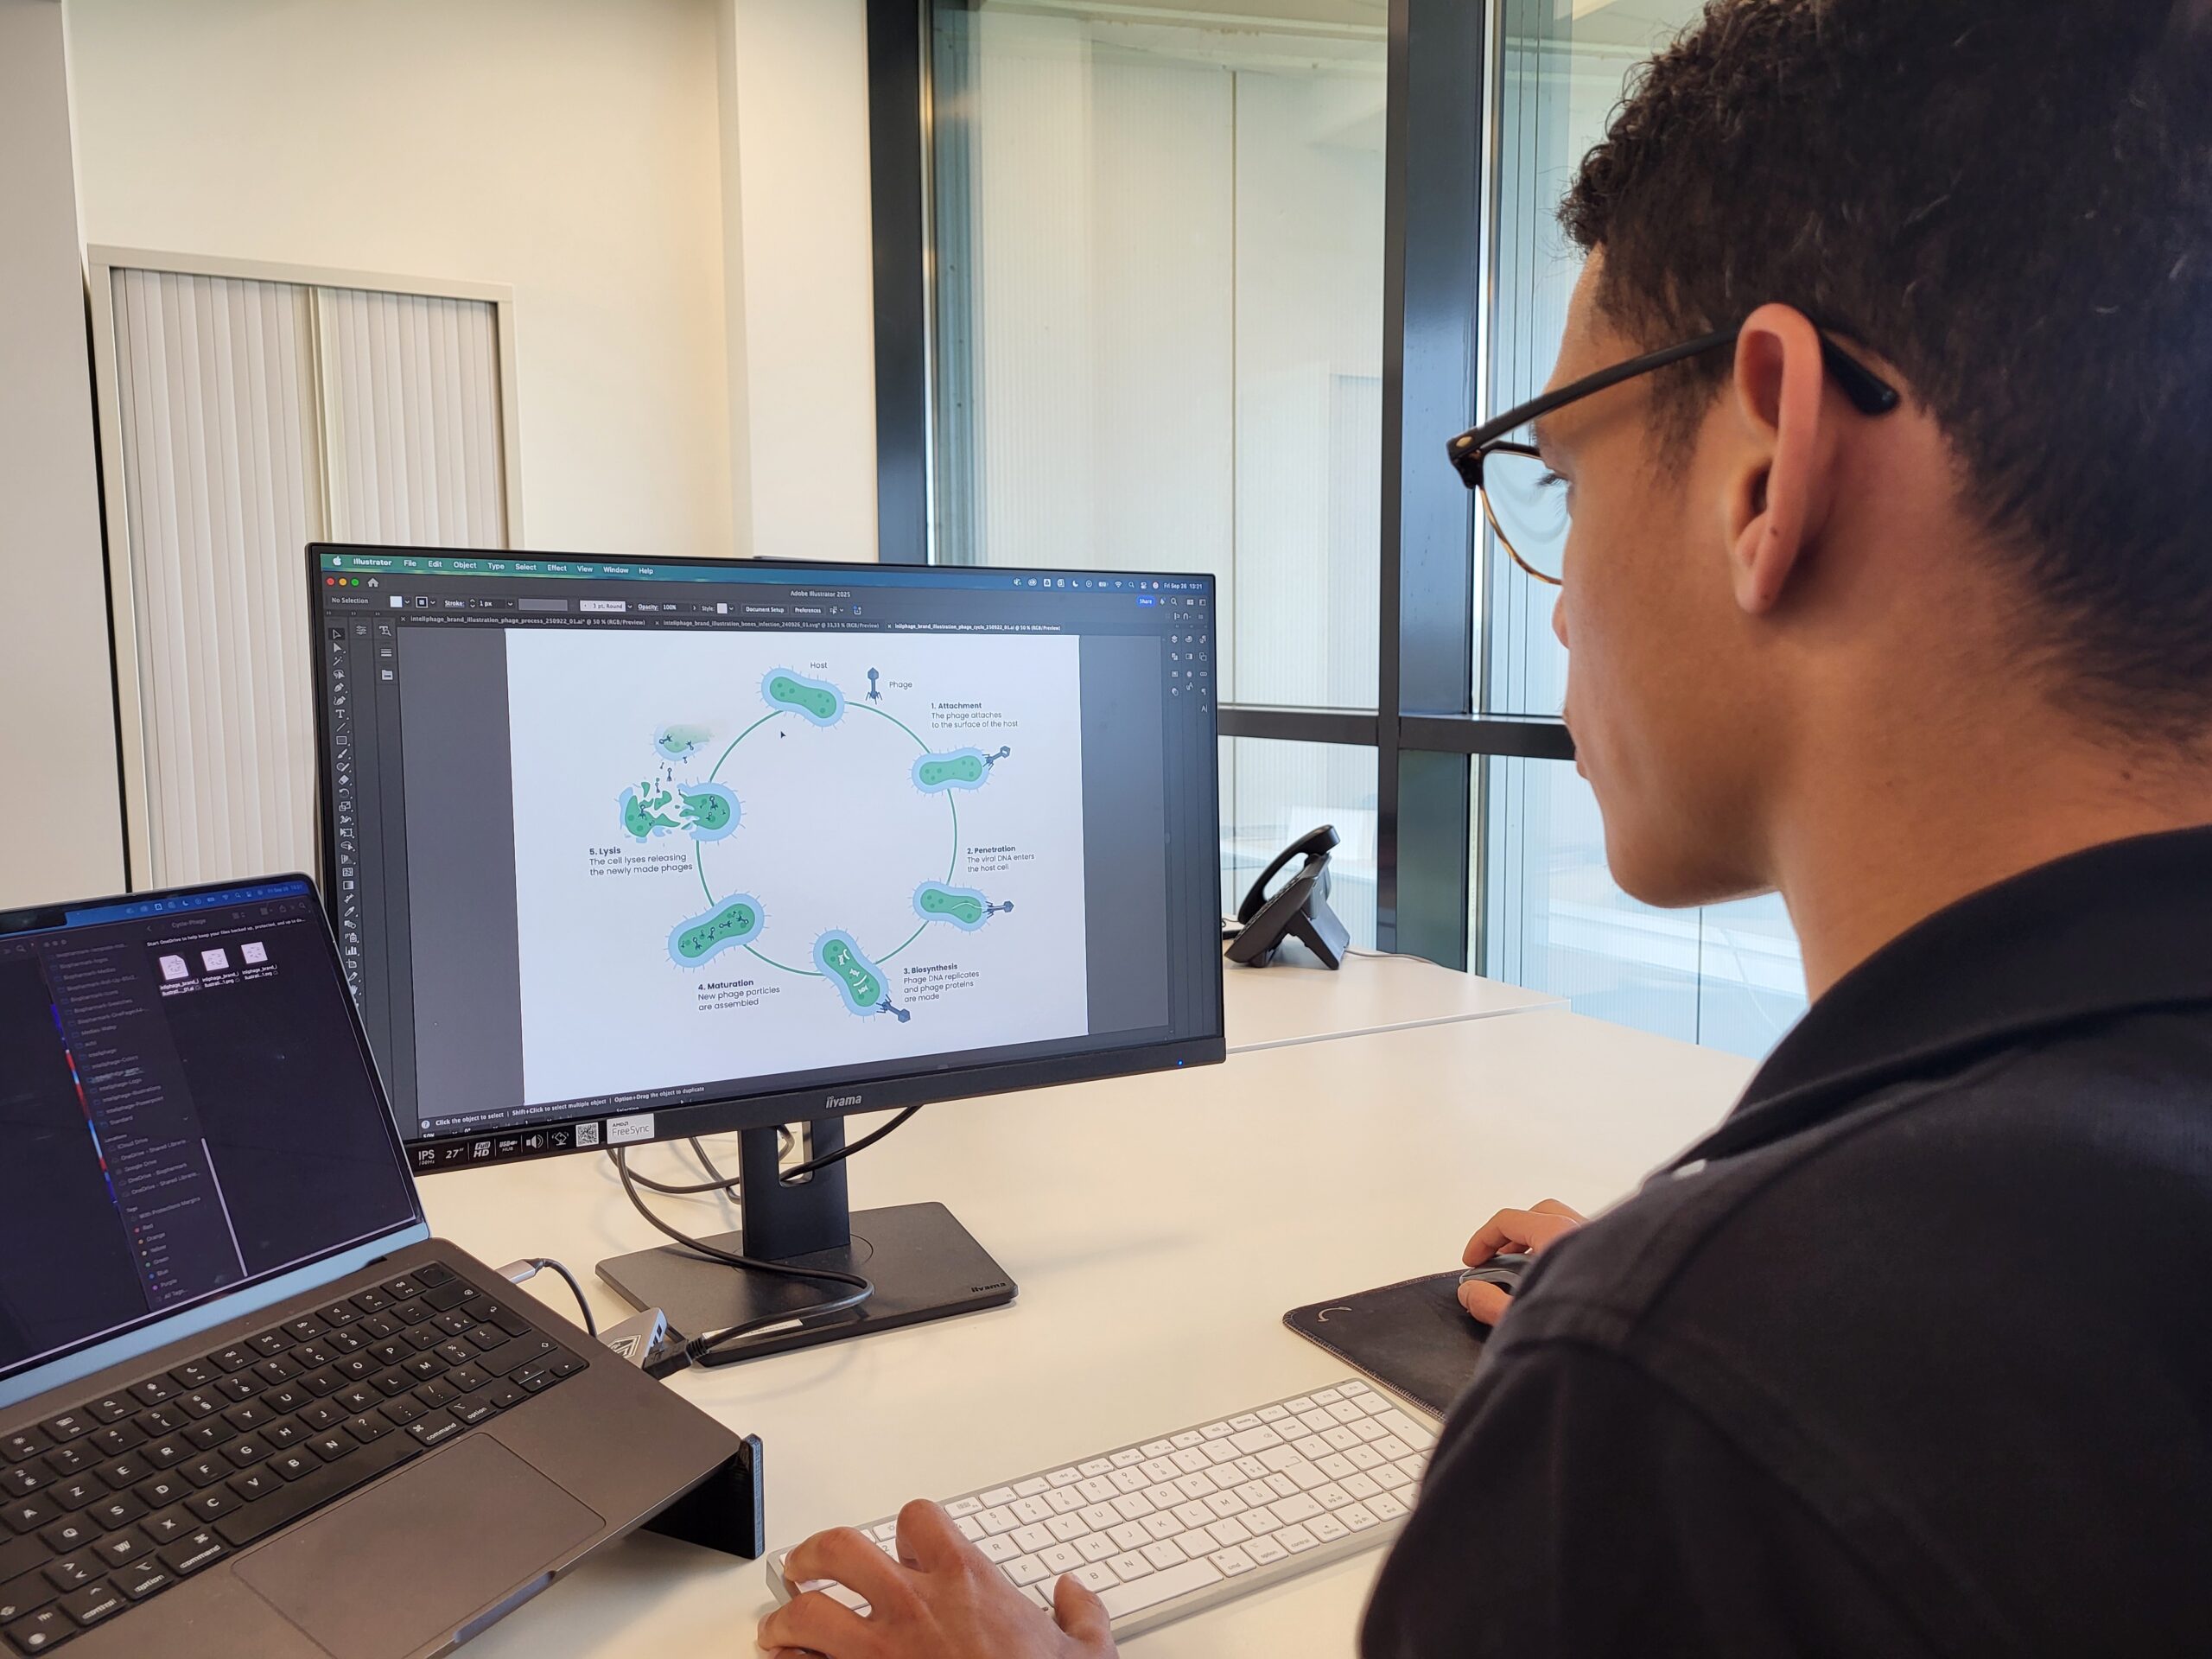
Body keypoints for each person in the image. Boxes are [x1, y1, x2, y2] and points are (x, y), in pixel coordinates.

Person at [757, 0, 2212, 1652]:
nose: (1561, 607)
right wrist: (1740, 1294)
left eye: (1563, 482)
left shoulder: (1687, 1417)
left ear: (1764, 464)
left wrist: (1693, 1346)